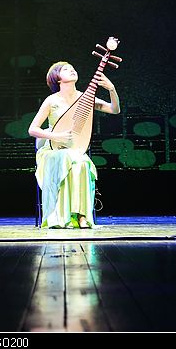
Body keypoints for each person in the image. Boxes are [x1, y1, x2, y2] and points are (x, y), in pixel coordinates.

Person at [28, 61, 121, 229]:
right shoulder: (51, 101)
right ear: (57, 78)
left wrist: (111, 89)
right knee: (69, 158)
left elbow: (114, 109)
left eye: (72, 68)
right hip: (52, 151)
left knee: (83, 163)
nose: (71, 70)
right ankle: (62, 216)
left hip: (74, 150)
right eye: (65, 69)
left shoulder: (85, 98)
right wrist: (56, 136)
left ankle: (82, 216)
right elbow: (32, 129)